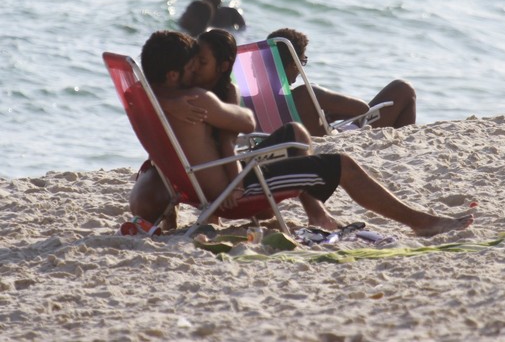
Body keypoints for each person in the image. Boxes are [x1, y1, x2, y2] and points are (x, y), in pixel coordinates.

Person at [130, 30, 474, 237]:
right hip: (234, 191)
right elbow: (247, 123)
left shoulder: (145, 100)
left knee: (294, 132)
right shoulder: (198, 99)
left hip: (201, 183)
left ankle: (315, 211)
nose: (195, 71)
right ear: (175, 74)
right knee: (342, 164)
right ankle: (420, 222)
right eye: (192, 65)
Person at [267, 28, 417, 136]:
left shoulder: (251, 100)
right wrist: (334, 113)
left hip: (284, 147)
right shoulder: (306, 94)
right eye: (302, 62)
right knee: (403, 89)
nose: (301, 69)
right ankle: (407, 147)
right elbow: (361, 109)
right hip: (335, 140)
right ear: (294, 64)